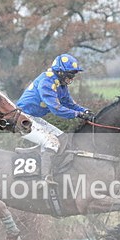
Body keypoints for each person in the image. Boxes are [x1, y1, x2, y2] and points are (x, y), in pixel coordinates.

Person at [16, 53, 93, 183]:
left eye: (73, 74)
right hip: (21, 119)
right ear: (60, 72)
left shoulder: (61, 85)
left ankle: (35, 155)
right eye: (70, 74)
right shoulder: (47, 82)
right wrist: (77, 114)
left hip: (32, 117)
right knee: (51, 142)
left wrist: (83, 110)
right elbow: (56, 108)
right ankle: (44, 178)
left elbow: (69, 104)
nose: (72, 77)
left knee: (62, 138)